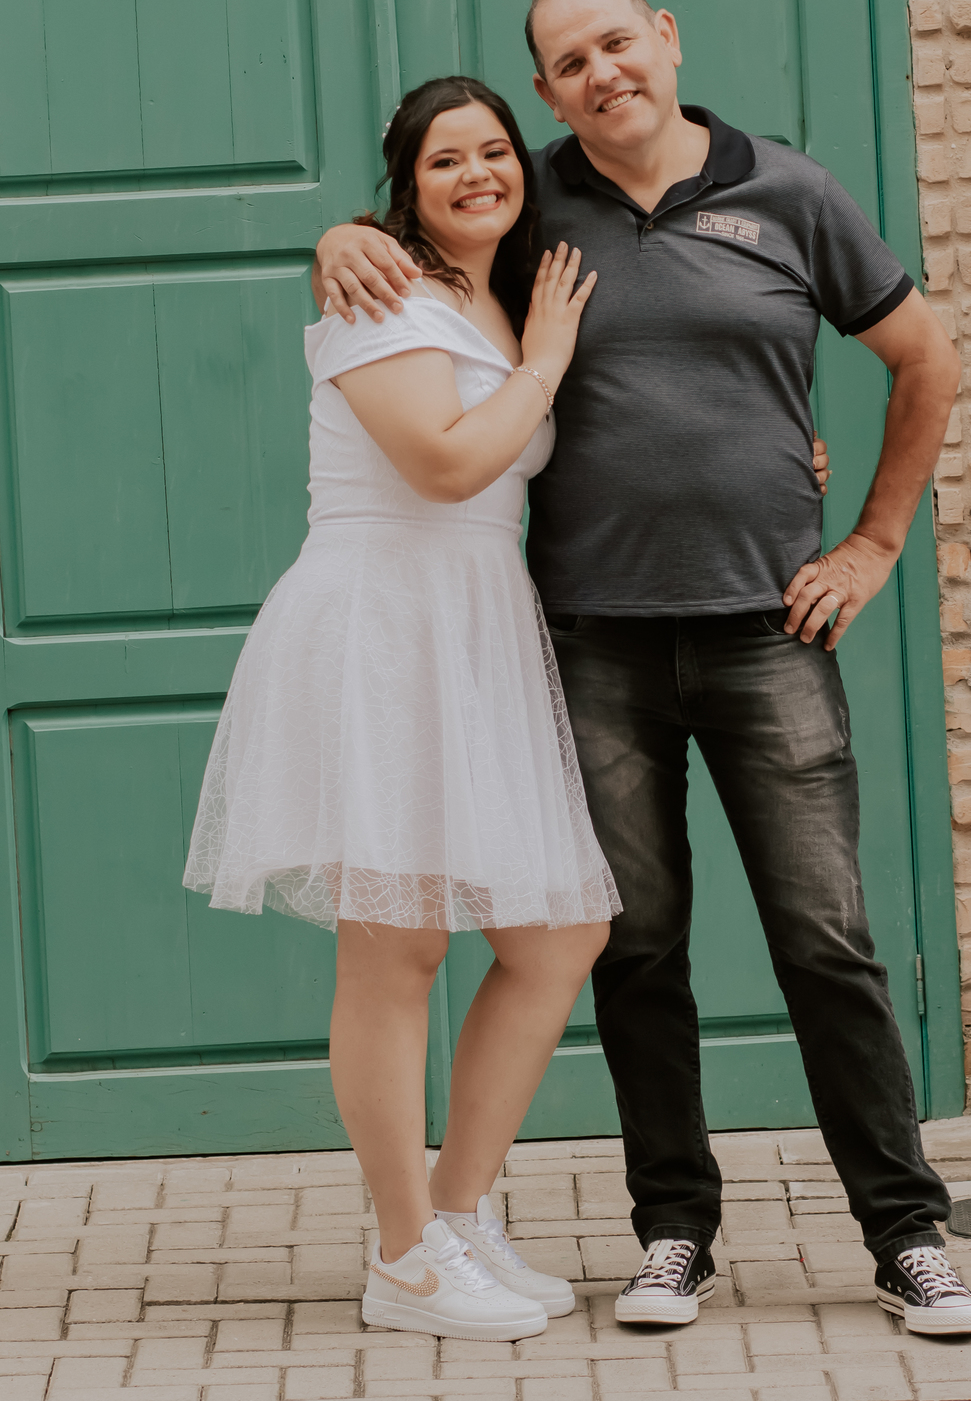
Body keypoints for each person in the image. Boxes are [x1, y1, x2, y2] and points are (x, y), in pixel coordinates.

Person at [313, 0, 971, 1340]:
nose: (601, 73)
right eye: (569, 63)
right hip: (592, 644)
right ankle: (674, 1232)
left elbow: (926, 356)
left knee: (828, 943)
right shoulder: (529, 205)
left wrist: (872, 542)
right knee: (633, 950)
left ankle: (909, 1237)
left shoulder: (790, 192)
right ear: (549, 92)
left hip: (767, 631)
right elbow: (420, 250)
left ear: (665, 38)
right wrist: (336, 234)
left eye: (616, 42)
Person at [186, 75, 621, 1343]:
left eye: (495, 151)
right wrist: (545, 362)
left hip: (474, 632)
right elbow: (443, 464)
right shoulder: (383, 293)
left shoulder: (505, 289)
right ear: (406, 185)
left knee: (561, 932)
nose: (478, 174)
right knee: (399, 949)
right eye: (446, 160)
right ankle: (404, 1258)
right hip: (380, 627)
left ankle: (458, 1213)